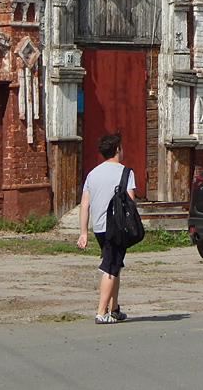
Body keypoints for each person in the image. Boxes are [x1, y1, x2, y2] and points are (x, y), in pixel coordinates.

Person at [77, 132, 136, 324]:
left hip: (99, 228)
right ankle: (101, 313)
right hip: (117, 228)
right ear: (117, 150)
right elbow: (130, 203)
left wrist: (83, 233)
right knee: (110, 268)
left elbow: (84, 205)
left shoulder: (92, 174)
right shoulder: (126, 172)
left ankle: (115, 308)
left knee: (115, 264)